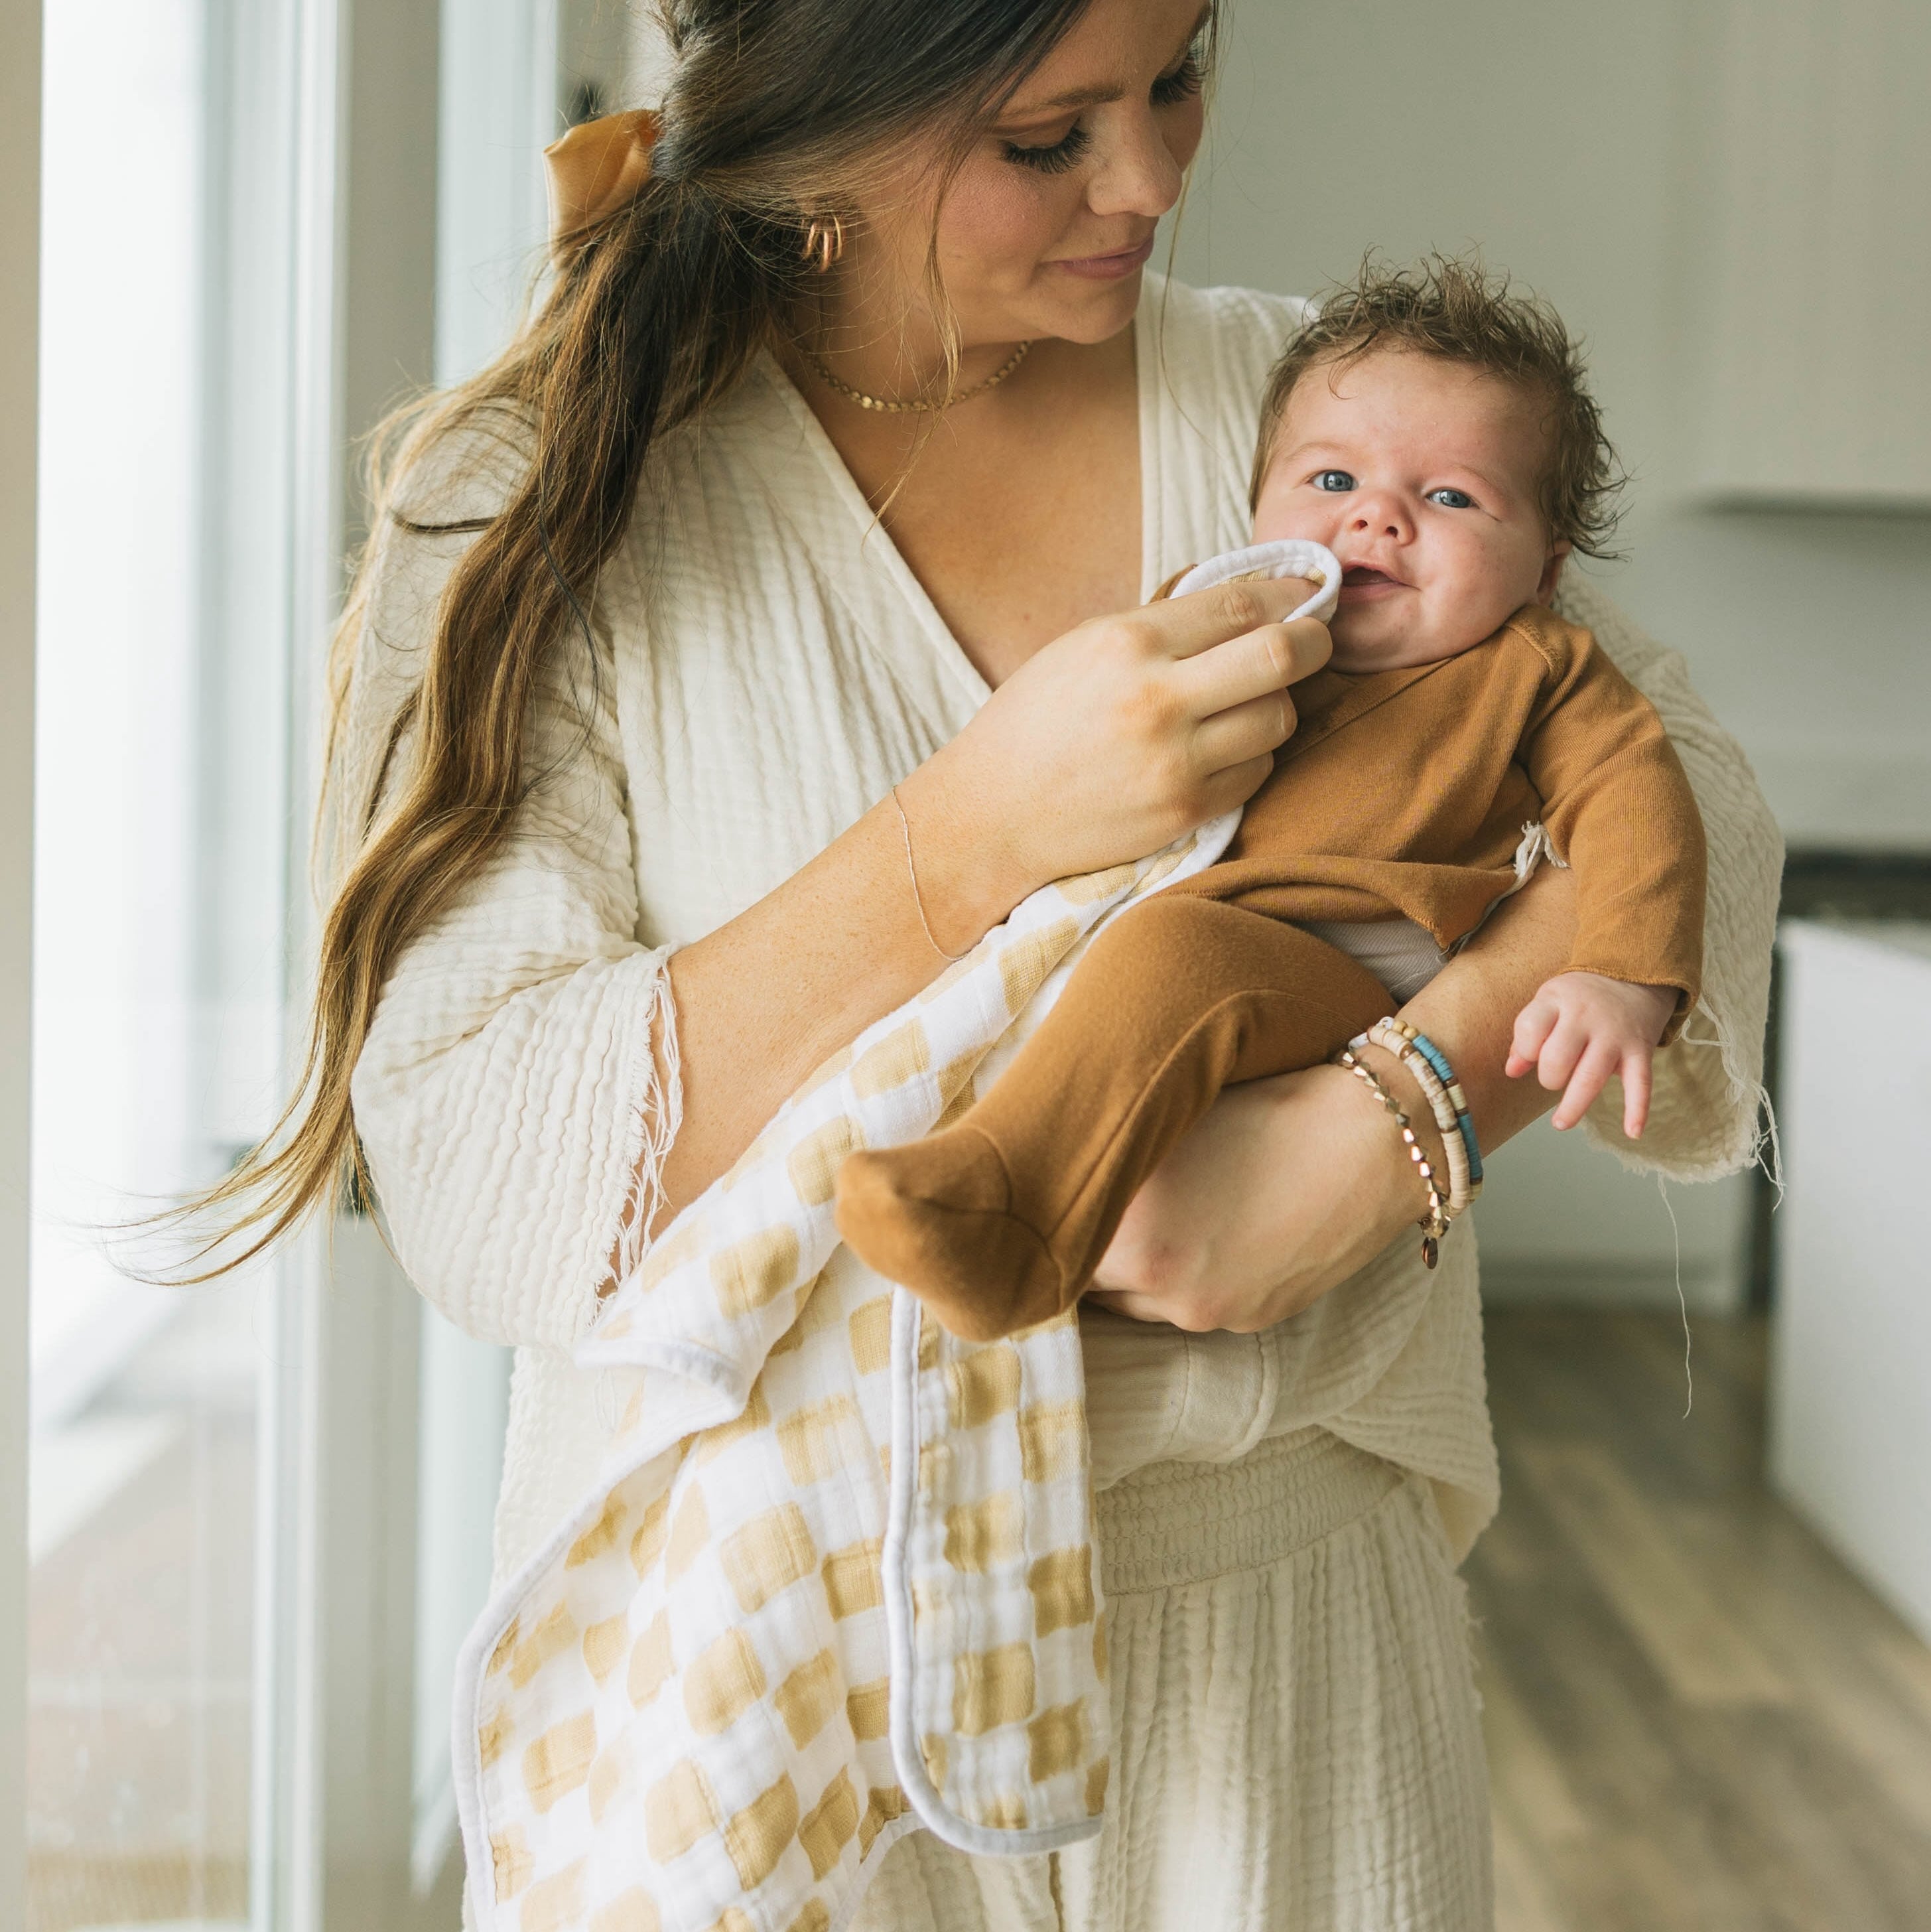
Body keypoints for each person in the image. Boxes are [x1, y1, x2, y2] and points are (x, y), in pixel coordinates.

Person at [210, 0, 1780, 1923]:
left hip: (1273, 1673)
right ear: (811, 122)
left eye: (1182, 73)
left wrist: (1399, 1117)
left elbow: (1679, 799)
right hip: (771, 1694)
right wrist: (969, 839)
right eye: (1051, 137)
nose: (1153, 180)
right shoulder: (534, 509)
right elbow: (487, 1175)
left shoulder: (1308, 420)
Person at [834, 257, 1708, 1342]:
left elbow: (1638, 802)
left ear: (1542, 568)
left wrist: (1625, 974)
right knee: (1123, 979)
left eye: (1450, 497)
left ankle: (1017, 1222)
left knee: (1176, 964)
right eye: (1332, 483)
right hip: (1193, 922)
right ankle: (1006, 1173)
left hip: (1354, 956)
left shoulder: (1539, 665)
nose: (1378, 521)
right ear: (1261, 510)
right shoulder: (1232, 616)